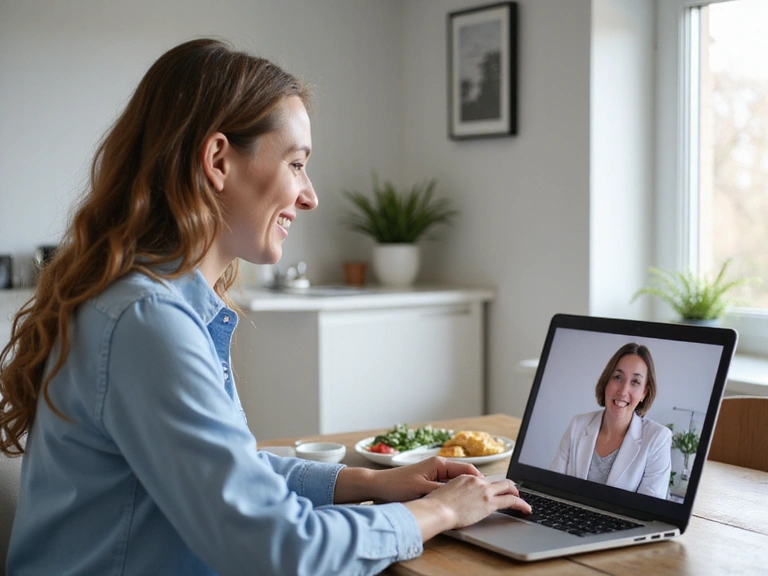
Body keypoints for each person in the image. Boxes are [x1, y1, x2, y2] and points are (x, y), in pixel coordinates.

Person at [0, 38, 531, 575]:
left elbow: (232, 475)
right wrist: (438, 510)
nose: (310, 195)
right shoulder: (147, 322)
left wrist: (367, 481)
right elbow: (276, 547)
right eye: (296, 164)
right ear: (218, 161)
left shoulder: (143, 303)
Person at [550, 343, 672, 498]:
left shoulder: (658, 439)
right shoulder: (577, 425)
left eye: (635, 382)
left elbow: (649, 511)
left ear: (644, 393)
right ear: (607, 381)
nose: (623, 391)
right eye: (618, 377)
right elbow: (552, 488)